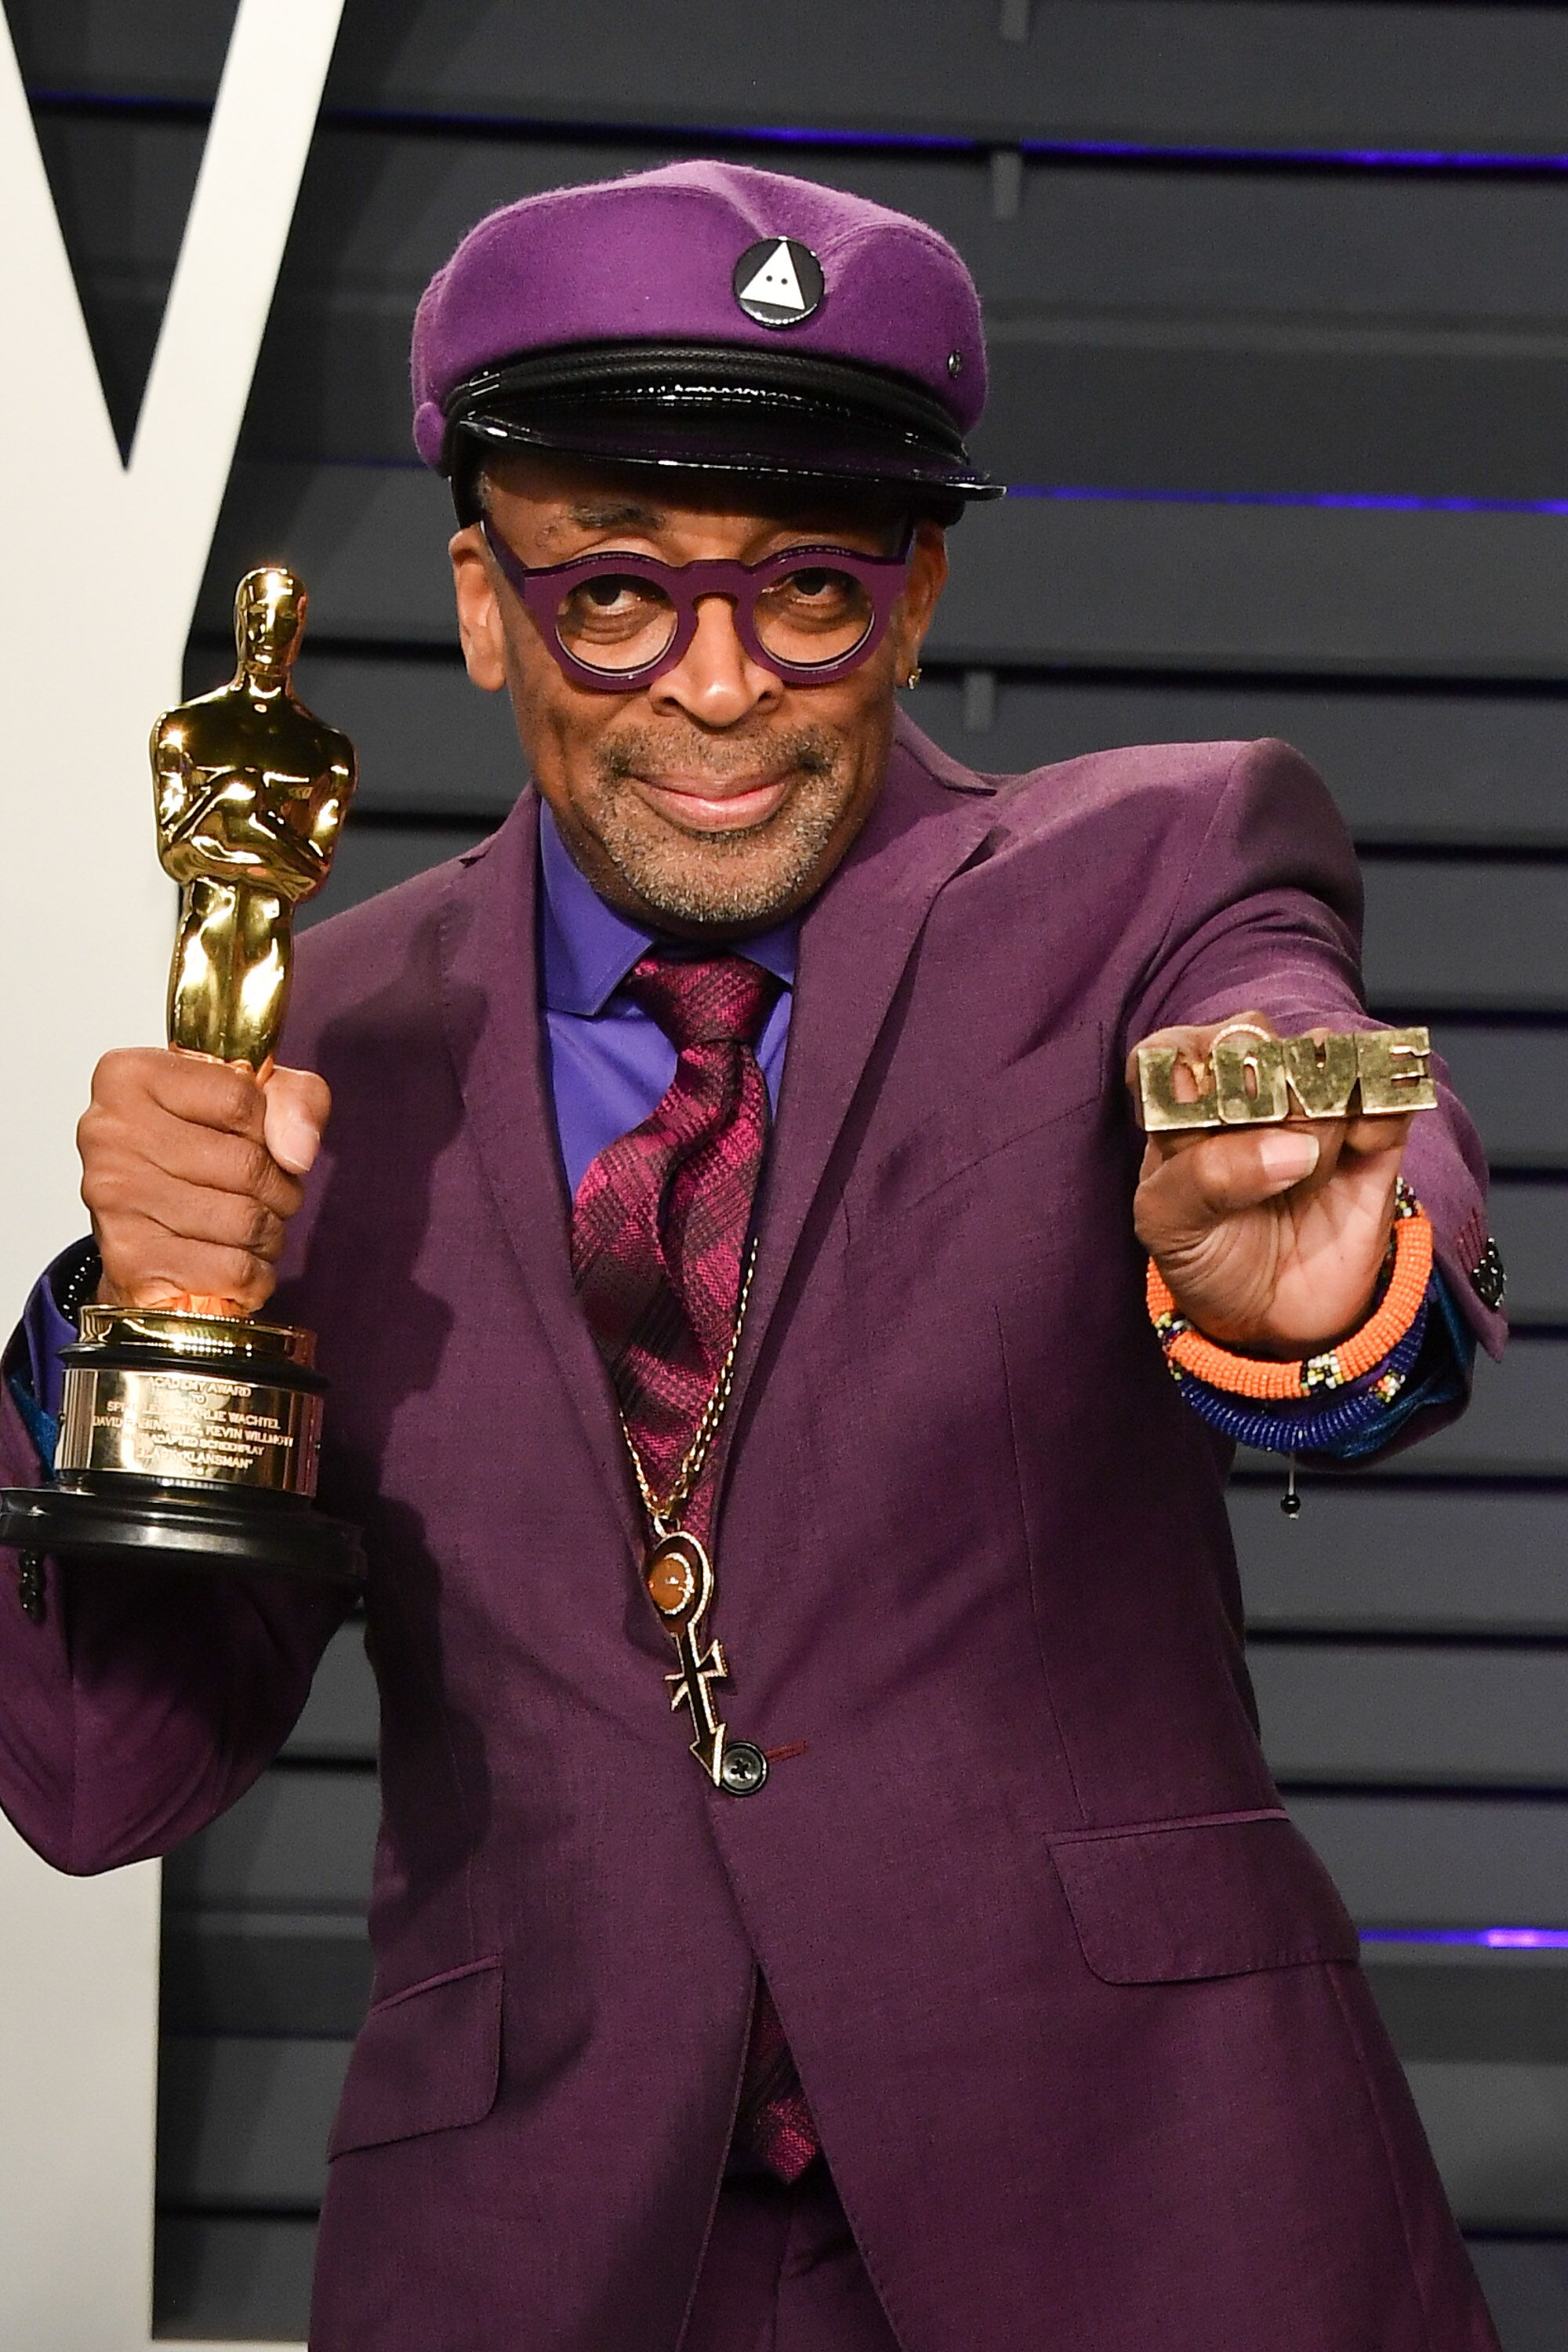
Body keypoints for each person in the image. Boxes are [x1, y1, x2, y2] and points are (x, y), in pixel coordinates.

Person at [0, 162, 1508, 2351]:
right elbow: (94, 1778)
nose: (717, 687)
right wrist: (141, 1314)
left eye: (806, 583)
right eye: (613, 591)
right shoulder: (329, 1039)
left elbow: (1292, 1058)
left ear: (910, 598)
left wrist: (1327, 1260)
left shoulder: (1160, 868)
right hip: (547, 2249)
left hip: (1161, 2220)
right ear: (485, 602)